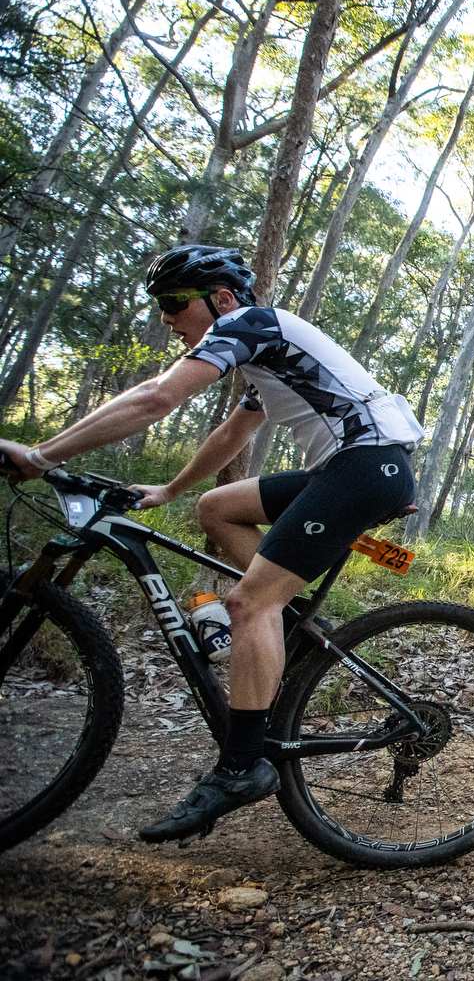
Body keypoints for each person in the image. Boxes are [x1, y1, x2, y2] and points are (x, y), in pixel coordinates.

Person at [0, 245, 423, 842]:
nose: (168, 319)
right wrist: (171, 489)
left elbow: (157, 398)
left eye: (175, 303)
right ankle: (287, 620)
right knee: (216, 508)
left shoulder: (249, 324)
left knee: (249, 603)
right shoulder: (263, 356)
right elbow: (235, 430)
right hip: (347, 467)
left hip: (366, 466)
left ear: (221, 299)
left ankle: (241, 765)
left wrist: (42, 456)